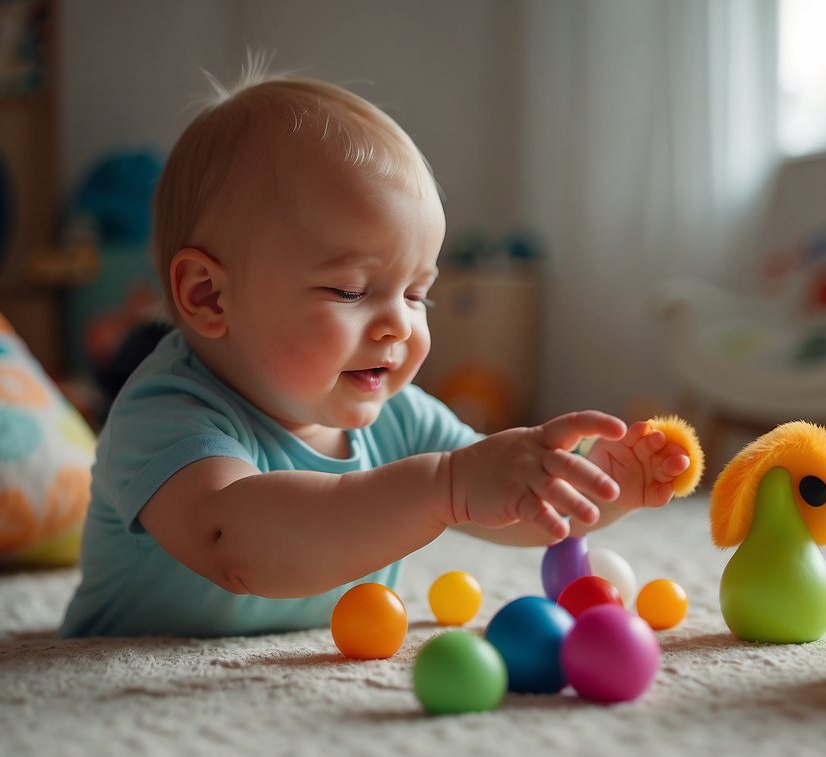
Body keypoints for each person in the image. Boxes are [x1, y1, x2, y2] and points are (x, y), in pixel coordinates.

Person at [60, 66, 690, 638]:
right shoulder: (167, 413)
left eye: (418, 295)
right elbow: (235, 544)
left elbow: (507, 505)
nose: (397, 325)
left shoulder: (400, 415)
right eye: (352, 290)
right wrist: (441, 486)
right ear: (209, 297)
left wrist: (605, 486)